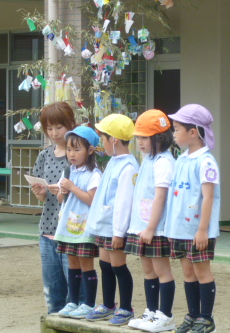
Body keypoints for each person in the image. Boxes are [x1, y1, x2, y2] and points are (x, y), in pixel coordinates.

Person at [165, 104, 220, 333]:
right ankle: (193, 315)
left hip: (198, 230)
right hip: (179, 229)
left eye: (177, 129)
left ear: (193, 132)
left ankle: (206, 318)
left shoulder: (206, 162)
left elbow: (208, 198)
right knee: (188, 273)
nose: (174, 133)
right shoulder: (181, 159)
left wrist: (203, 230)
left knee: (201, 272)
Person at [84, 114, 139, 325]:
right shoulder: (114, 161)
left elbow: (124, 202)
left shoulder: (128, 167)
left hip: (116, 228)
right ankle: (108, 305)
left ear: (114, 139)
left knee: (118, 266)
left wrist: (118, 232)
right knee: (105, 265)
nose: (102, 143)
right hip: (105, 225)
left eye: (103, 138)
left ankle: (126, 308)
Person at [125, 109, 177, 332]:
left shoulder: (164, 162)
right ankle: (151, 312)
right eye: (138, 137)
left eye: (144, 138)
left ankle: (165, 316)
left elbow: (160, 197)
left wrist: (151, 228)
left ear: (159, 138)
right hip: (142, 226)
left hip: (156, 228)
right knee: (148, 270)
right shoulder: (148, 159)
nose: (140, 142)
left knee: (162, 271)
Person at [30, 102, 77, 314]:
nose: (54, 133)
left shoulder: (77, 156)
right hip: (47, 228)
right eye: (49, 128)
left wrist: (65, 190)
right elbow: (42, 199)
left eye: (59, 127)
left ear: (71, 125)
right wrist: (39, 192)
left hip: (72, 229)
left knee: (75, 288)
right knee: (52, 288)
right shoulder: (44, 155)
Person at [54, 125, 102, 320]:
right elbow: (60, 199)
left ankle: (88, 304)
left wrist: (72, 187)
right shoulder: (68, 171)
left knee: (86, 264)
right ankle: (73, 302)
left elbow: (91, 199)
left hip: (85, 227)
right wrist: (62, 191)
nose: (71, 154)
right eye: (68, 149)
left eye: (76, 149)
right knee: (72, 263)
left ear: (90, 150)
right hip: (68, 225)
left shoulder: (94, 173)